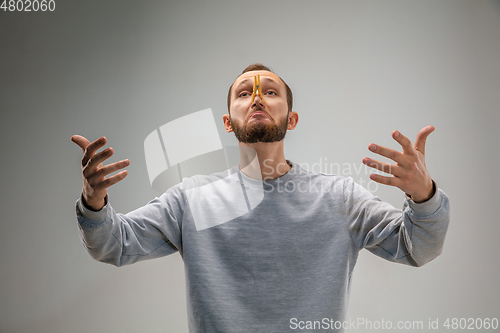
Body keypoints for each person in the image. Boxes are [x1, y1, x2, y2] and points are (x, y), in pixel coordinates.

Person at [72, 63, 450, 333]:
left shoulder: (339, 197)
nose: (256, 98)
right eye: (244, 93)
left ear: (291, 118)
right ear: (227, 120)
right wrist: (93, 199)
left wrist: (423, 195)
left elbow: (418, 247)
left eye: (270, 92)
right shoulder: (192, 200)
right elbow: (112, 244)